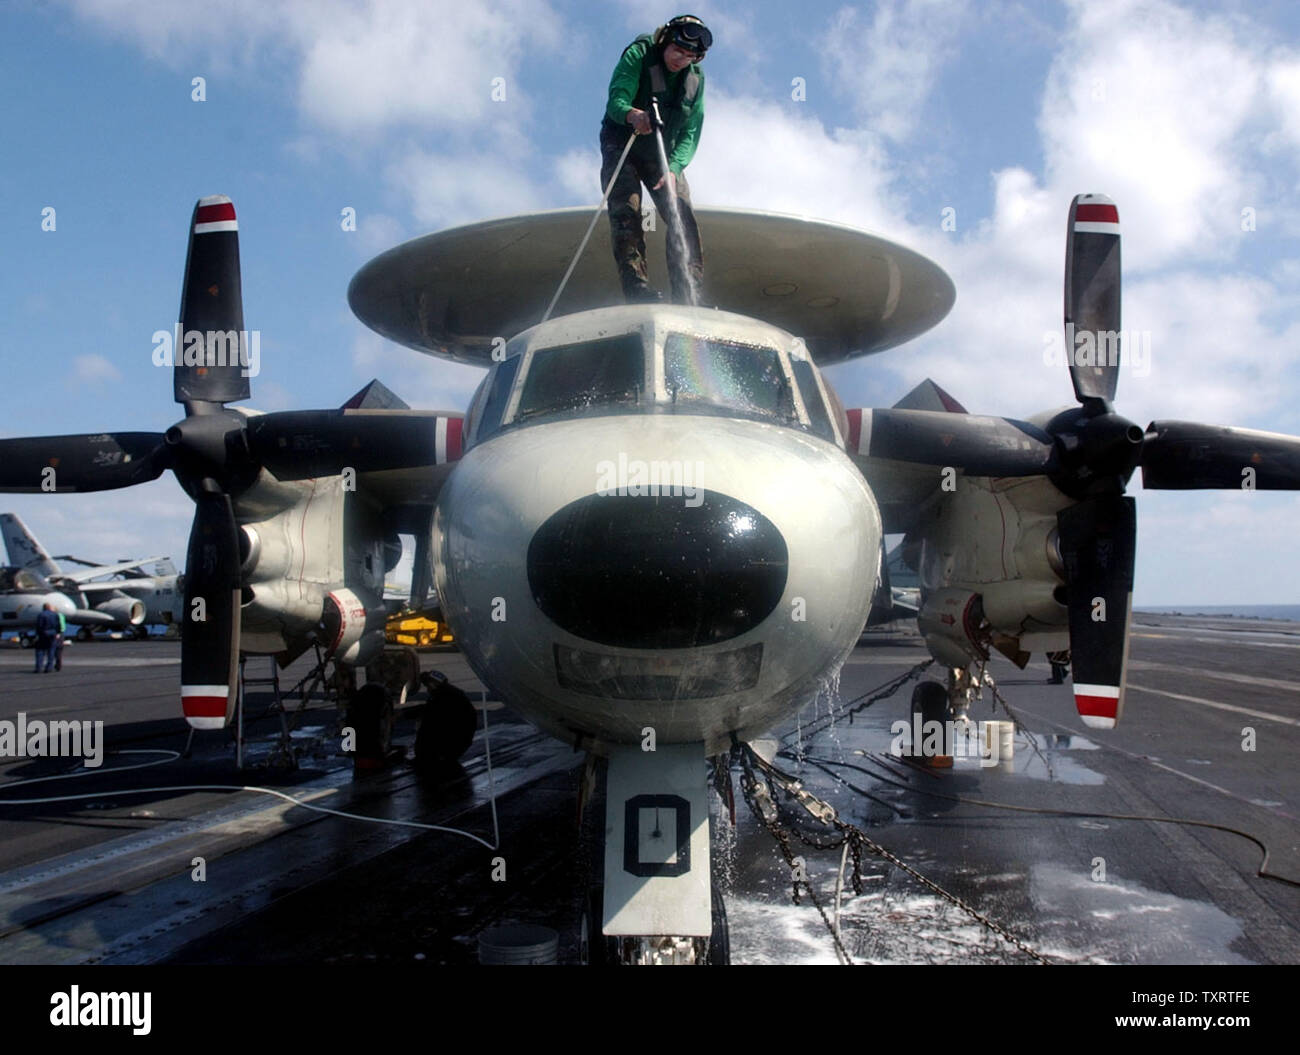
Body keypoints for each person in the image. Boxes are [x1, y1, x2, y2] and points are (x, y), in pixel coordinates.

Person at [600, 14, 709, 304]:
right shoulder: (639, 54)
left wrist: (674, 169)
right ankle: (638, 290)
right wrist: (632, 114)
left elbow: (690, 131)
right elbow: (616, 100)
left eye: (689, 56)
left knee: (681, 213)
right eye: (677, 51)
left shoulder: (695, 80)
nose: (681, 59)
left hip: (664, 153)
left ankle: (688, 296)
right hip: (624, 141)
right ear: (665, 41)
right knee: (627, 210)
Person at [34, 602, 59, 674]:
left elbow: (39, 626)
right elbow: (58, 625)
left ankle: (39, 667)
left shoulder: (41, 615)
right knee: (51, 651)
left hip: (43, 634)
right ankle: (49, 667)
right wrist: (57, 633)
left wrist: (37, 634)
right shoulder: (55, 614)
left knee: (40, 652)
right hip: (52, 634)